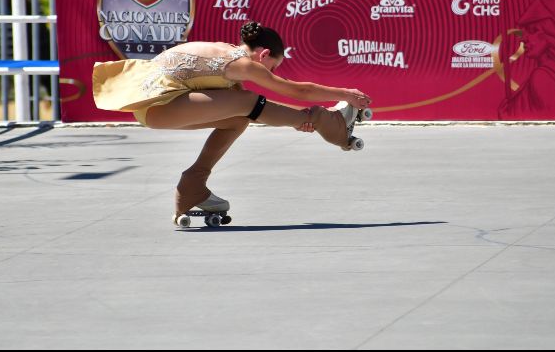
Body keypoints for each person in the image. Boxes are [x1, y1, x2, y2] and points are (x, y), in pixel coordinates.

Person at [92, 21, 372, 226]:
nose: (271, 73)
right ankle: (328, 121)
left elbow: (263, 110)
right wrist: (344, 93)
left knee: (240, 116)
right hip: (160, 105)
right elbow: (297, 91)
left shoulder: (227, 52)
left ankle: (192, 186)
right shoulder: (244, 64)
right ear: (263, 55)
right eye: (273, 67)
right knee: (246, 101)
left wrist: (295, 120)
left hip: (154, 108)